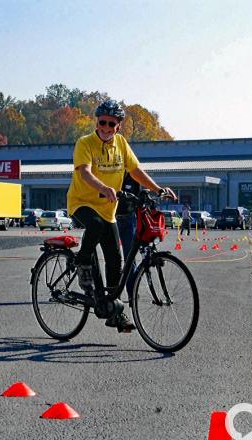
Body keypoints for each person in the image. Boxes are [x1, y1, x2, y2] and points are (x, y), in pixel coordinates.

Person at [67, 100, 177, 332]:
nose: (106, 128)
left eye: (111, 124)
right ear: (96, 122)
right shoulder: (84, 143)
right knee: (94, 225)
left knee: (116, 260)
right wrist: (103, 187)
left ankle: (113, 310)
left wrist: (158, 189)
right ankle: (82, 263)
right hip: (82, 203)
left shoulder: (121, 144)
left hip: (109, 209)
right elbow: (84, 172)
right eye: (102, 122)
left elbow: (135, 170)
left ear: (118, 126)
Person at [115, 171, 140, 301]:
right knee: (113, 258)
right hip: (112, 218)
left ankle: (132, 293)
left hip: (129, 219)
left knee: (130, 258)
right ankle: (114, 294)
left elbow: (139, 198)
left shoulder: (134, 177)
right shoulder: (113, 174)